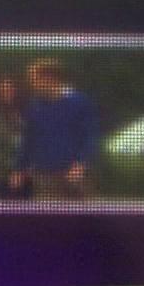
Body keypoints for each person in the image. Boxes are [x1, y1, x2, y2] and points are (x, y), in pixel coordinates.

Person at [21, 59, 99, 201]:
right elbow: (28, 140)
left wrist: (81, 164)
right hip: (45, 177)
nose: (32, 84)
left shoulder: (79, 102)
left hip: (75, 175)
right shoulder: (34, 106)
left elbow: (90, 136)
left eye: (34, 80)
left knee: (81, 213)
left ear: (49, 78)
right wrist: (20, 168)